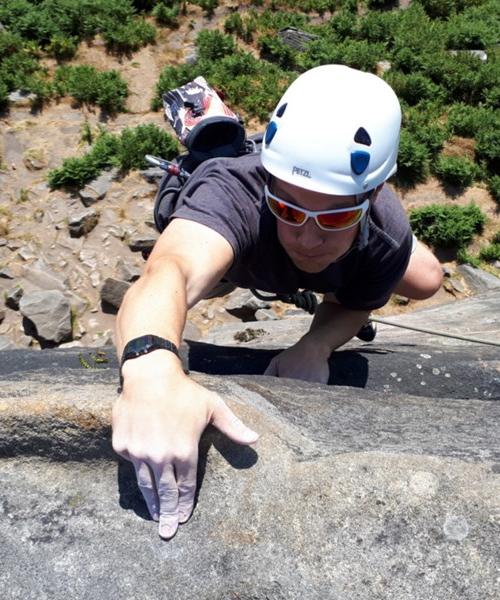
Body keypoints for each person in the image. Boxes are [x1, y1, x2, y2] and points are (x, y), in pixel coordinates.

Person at [112, 64, 443, 540]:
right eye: (288, 206)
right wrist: (150, 372)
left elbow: (353, 305)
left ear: (371, 196)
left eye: (335, 214)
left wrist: (317, 344)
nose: (307, 238)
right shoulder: (237, 191)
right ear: (268, 180)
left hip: (343, 252)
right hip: (239, 257)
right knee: (207, 272)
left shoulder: (384, 235)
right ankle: (214, 145)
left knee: (428, 279)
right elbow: (170, 272)